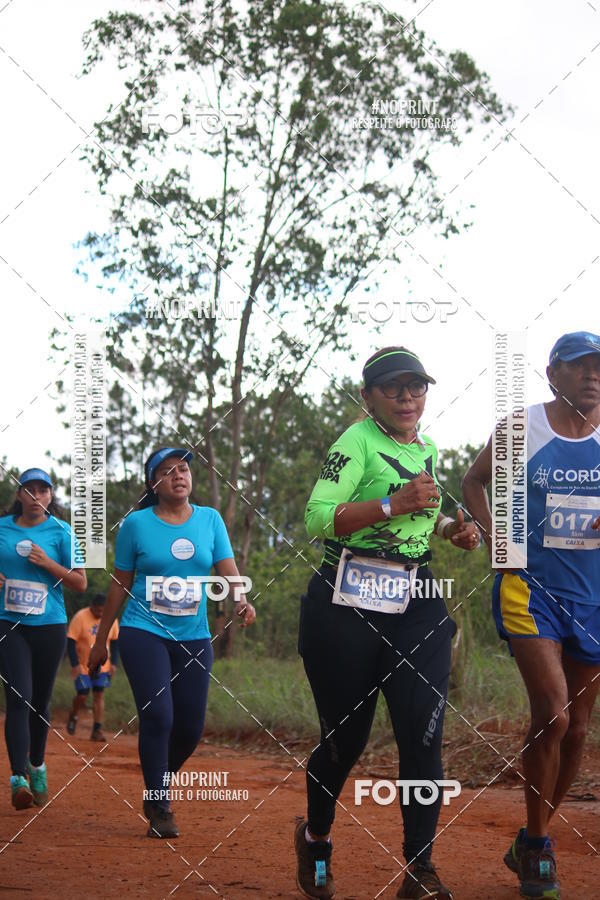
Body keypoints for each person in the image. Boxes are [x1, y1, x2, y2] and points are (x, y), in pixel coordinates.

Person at [295, 347, 480, 900]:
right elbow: (316, 518)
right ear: (368, 395)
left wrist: (452, 528)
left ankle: (420, 869)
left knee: (423, 733)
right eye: (394, 389)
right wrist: (389, 505)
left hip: (416, 598)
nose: (407, 398)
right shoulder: (353, 444)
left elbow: (423, 510)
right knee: (343, 741)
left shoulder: (424, 446)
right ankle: (316, 837)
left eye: (417, 388)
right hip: (345, 600)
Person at [462, 331, 600, 900]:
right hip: (530, 588)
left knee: (579, 730)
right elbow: (474, 482)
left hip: (592, 595)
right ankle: (541, 847)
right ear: (553, 374)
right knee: (554, 712)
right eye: (580, 367)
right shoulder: (523, 427)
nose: (592, 376)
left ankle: (526, 840)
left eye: (599, 368)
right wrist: (498, 540)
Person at [88, 447, 256, 839]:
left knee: (190, 727)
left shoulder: (210, 520)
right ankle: (160, 806)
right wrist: (101, 641)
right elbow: (120, 585)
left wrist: (240, 598)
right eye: (168, 471)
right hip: (143, 630)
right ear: (154, 483)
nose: (179, 475)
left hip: (193, 636)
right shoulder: (136, 525)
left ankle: (155, 785)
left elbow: (227, 567)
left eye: (183, 469)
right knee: (159, 715)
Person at [0, 468, 87, 810]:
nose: (36, 496)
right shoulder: (2, 527)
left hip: (50, 624)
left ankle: (37, 764)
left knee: (40, 702)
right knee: (18, 696)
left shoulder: (62, 531)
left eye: (43, 490)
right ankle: (18, 777)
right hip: (9, 623)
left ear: (51, 497)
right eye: (29, 489)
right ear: (19, 495)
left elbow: (79, 582)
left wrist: (48, 562)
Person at [67, 593, 119, 742]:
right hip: (82, 665)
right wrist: (75, 665)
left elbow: (115, 642)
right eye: (97, 611)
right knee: (82, 693)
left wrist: (114, 664)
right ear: (92, 607)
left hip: (102, 666)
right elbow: (70, 641)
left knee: (99, 694)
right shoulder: (80, 617)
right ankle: (74, 714)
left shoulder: (111, 618)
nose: (100, 614)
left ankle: (97, 730)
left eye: (102, 611)